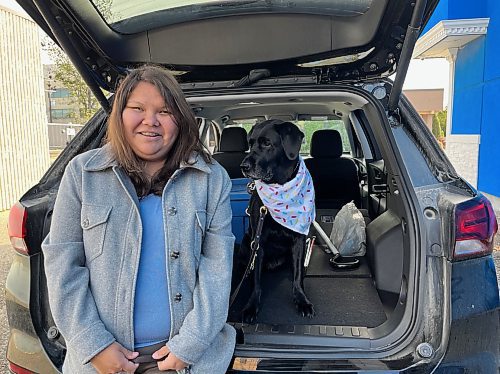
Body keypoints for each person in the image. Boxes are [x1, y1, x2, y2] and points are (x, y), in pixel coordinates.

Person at [42, 65, 236, 374]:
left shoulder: (211, 179)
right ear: (119, 114)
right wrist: (94, 345)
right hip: (103, 360)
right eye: (138, 108)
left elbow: (217, 270)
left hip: (184, 359)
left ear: (181, 120)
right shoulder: (82, 174)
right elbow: (63, 266)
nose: (151, 121)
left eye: (165, 111)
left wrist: (189, 346)